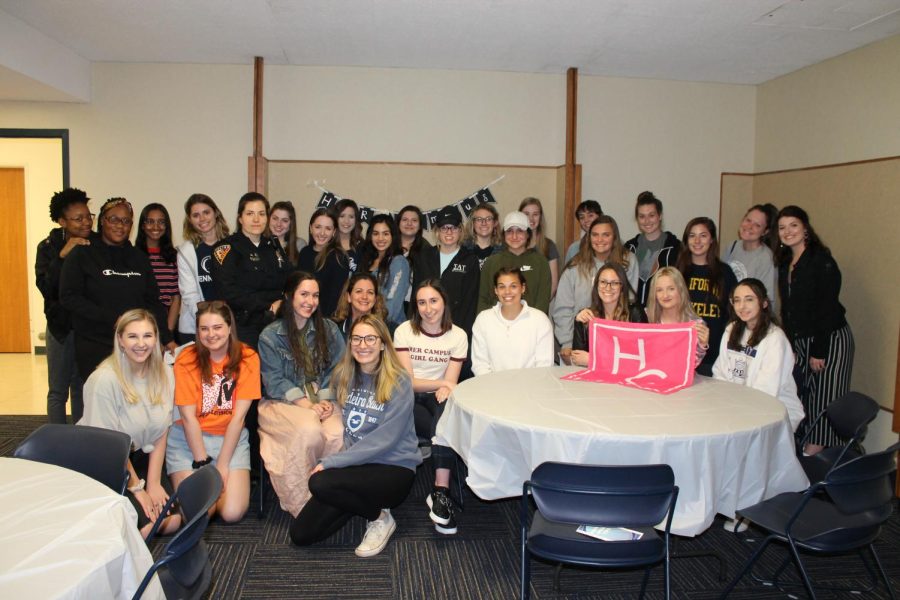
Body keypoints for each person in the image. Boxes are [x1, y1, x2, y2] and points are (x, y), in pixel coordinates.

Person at [289, 315, 421, 557]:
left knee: (319, 482)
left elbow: (385, 439)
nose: (363, 345)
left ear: (382, 344)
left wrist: (331, 462)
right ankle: (356, 500)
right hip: (357, 468)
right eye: (357, 339)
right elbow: (331, 397)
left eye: (370, 338)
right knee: (301, 534)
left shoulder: (399, 381)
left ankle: (380, 517)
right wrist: (324, 404)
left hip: (393, 468)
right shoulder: (345, 376)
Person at [80, 309, 180, 538]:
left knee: (172, 522)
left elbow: (161, 430)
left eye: (147, 336)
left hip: (142, 456)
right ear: (120, 340)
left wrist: (153, 483)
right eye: (133, 336)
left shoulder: (165, 373)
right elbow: (109, 445)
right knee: (145, 529)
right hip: (108, 461)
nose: (141, 344)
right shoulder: (104, 380)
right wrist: (137, 489)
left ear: (156, 339)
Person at [258, 272, 346, 516]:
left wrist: (326, 399)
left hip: (323, 398)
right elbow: (274, 381)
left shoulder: (328, 328)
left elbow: (339, 367)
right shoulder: (270, 336)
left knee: (337, 434)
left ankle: (327, 494)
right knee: (309, 430)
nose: (310, 301)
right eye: (304, 294)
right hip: (283, 401)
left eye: (315, 295)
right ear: (289, 296)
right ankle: (303, 503)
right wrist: (308, 405)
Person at [60, 197, 174, 380]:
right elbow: (69, 297)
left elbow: (153, 301)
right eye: (114, 219)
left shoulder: (139, 258)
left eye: (126, 221)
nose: (120, 226)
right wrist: (113, 319)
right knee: (101, 401)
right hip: (95, 344)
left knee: (134, 400)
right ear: (102, 221)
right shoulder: (82, 254)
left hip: (136, 347)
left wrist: (166, 338)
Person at [168, 300, 260, 523]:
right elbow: (188, 418)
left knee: (232, 513)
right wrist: (203, 466)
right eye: (204, 328)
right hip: (190, 441)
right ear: (197, 331)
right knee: (202, 512)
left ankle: (192, 499)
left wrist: (222, 465)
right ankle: (182, 504)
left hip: (230, 438)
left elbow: (238, 419)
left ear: (229, 328)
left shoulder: (248, 357)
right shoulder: (186, 359)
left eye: (217, 327)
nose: (211, 334)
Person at [777, 205, 854, 455]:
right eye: (782, 227)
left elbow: (827, 308)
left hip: (829, 338)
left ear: (806, 228)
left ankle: (814, 456)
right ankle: (813, 452)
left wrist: (819, 351)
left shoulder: (821, 261)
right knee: (806, 398)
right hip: (802, 339)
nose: (788, 232)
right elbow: (788, 310)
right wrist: (792, 346)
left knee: (824, 400)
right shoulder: (786, 262)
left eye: (793, 226)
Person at [394, 280, 468, 534]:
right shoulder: (404, 331)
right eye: (421, 302)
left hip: (439, 398)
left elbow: (452, 383)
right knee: (442, 427)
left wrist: (445, 386)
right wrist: (441, 383)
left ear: (444, 302)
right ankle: (441, 492)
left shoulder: (458, 335)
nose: (428, 308)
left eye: (433, 301)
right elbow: (408, 383)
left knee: (444, 422)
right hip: (409, 399)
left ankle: (440, 492)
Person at [35, 187, 95, 423]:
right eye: (78, 219)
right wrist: (62, 255)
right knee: (58, 390)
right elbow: (46, 288)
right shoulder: (48, 246)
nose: (86, 223)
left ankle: (82, 440)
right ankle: (56, 443)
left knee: (83, 388)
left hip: (86, 328)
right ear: (62, 221)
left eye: (88, 216)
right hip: (60, 327)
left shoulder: (96, 243)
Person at [713, 278, 805, 431]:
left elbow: (765, 391)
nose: (742, 306)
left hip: (773, 411)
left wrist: (733, 408)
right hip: (737, 405)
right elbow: (720, 372)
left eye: (749, 299)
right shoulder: (731, 329)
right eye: (737, 300)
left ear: (764, 303)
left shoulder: (775, 338)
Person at [211, 192, 294, 349]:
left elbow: (289, 279)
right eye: (250, 214)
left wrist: (283, 303)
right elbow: (227, 291)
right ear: (240, 218)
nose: (256, 219)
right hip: (244, 327)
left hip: (277, 324)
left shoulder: (273, 246)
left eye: (261, 214)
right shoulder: (227, 248)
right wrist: (268, 306)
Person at [554, 216, 639, 362]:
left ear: (614, 237)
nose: (600, 239)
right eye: (595, 235)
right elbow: (563, 308)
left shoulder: (628, 261)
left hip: (616, 345)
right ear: (588, 237)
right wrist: (567, 343)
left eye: (606, 235)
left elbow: (628, 303)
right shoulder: (575, 266)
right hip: (580, 342)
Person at [677, 217, 737, 376]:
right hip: (681, 353)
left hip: (714, 356)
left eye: (703, 235)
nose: (697, 240)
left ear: (711, 240)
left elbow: (732, 313)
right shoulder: (677, 272)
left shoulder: (725, 273)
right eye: (692, 235)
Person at [410, 207, 480, 336]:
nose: (449, 232)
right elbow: (415, 296)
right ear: (437, 231)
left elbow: (470, 303)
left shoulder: (470, 260)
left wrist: (462, 334)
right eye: (444, 227)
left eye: (453, 227)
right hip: (424, 329)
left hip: (455, 329)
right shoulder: (423, 257)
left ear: (460, 230)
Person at [472, 267, 554, 375]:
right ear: (496, 290)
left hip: (531, 388)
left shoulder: (540, 320)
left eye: (513, 286)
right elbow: (480, 365)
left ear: (523, 288)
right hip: (492, 388)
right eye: (502, 287)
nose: (507, 292)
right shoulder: (483, 319)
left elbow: (544, 366)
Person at [569, 263, 648, 367]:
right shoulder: (586, 315)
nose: (608, 287)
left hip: (625, 380)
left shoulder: (635, 314)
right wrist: (578, 321)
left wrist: (593, 360)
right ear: (596, 285)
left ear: (622, 287)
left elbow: (641, 360)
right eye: (603, 282)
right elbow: (577, 359)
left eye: (614, 283)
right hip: (594, 380)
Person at [177, 193, 230, 343]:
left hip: (226, 325)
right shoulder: (186, 251)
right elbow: (189, 294)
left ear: (216, 213)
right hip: (194, 327)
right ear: (190, 220)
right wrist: (206, 323)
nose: (202, 219)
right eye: (196, 215)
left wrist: (222, 321)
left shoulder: (232, 245)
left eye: (206, 212)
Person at [477, 211, 551, 314]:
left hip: (531, 325)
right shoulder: (491, 262)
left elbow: (542, 302)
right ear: (504, 234)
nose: (514, 236)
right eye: (509, 231)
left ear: (528, 234)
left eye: (520, 231)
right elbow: (483, 300)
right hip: (497, 325)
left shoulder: (540, 262)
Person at [624, 191, 682, 306]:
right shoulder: (629, 248)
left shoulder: (676, 247)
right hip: (634, 317)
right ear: (637, 219)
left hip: (663, 314)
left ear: (660, 216)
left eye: (651, 215)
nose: (647, 221)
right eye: (642, 216)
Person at [645, 267, 710, 368]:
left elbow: (692, 365)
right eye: (659, 290)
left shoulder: (696, 324)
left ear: (681, 290)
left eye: (671, 289)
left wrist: (702, 345)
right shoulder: (645, 318)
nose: (665, 295)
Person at [135, 203, 181, 343]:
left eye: (161, 222)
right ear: (142, 225)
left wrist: (166, 333)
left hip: (167, 325)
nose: (156, 227)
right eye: (150, 221)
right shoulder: (133, 255)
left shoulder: (174, 257)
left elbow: (175, 298)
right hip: (138, 326)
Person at [298, 208, 355, 318]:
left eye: (328, 229)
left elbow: (335, 299)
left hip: (324, 320)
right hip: (301, 315)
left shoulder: (339, 257)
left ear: (334, 232)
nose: (322, 233)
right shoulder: (304, 252)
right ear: (311, 228)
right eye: (318, 227)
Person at [724, 203, 779, 311]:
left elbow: (766, 299)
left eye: (757, 225)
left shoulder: (766, 258)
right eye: (748, 220)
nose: (749, 227)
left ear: (765, 232)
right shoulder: (732, 247)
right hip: (729, 314)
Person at [357, 214, 410, 326]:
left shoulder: (399, 262)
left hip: (388, 328)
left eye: (385, 234)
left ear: (393, 236)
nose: (380, 238)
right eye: (376, 234)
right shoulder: (366, 261)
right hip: (363, 325)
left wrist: (372, 324)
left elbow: (392, 307)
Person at [519, 197, 560, 297]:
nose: (531, 219)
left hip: (539, 307)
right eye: (526, 214)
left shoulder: (549, 246)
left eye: (535, 214)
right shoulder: (510, 245)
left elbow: (553, 285)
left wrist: (540, 308)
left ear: (540, 217)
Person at [332, 272, 390, 337]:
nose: (364, 297)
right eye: (359, 291)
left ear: (375, 298)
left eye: (370, 292)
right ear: (348, 297)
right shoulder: (334, 330)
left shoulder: (389, 329)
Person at [462, 201, 502, 270]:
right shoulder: (462, 250)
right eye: (479, 219)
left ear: (495, 223)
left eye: (488, 219)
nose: (484, 223)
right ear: (473, 223)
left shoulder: (503, 251)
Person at [269, 200, 307, 266]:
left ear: (291, 223)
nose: (278, 224)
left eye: (284, 220)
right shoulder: (260, 242)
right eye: (275, 218)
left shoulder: (299, 245)